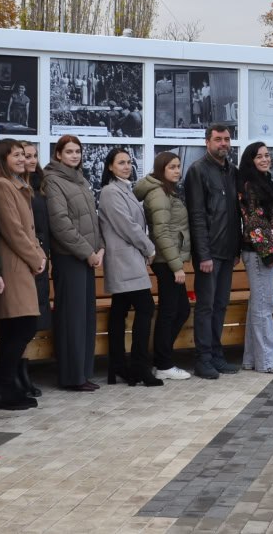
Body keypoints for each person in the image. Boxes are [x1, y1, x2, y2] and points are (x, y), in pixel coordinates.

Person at [42, 135, 105, 391]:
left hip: (87, 257)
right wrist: (86, 252)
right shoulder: (53, 181)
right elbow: (61, 224)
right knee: (72, 318)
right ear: (58, 154)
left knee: (85, 317)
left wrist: (99, 248)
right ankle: (71, 376)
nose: (75, 155)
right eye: (69, 151)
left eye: (77, 151)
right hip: (70, 258)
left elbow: (93, 218)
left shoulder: (81, 180)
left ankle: (83, 373)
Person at [0, 139, 48, 407]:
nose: (23, 159)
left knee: (20, 327)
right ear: (3, 158)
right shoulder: (2, 186)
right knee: (19, 326)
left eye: (24, 155)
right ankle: (4, 389)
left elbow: (29, 229)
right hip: (14, 265)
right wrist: (36, 257)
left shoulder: (20, 186)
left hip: (23, 263)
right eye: (16, 155)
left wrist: (39, 255)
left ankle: (9, 386)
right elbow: (13, 230)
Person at [98, 147, 162, 386]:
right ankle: (139, 367)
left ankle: (118, 366)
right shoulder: (110, 191)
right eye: (121, 163)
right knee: (145, 308)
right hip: (124, 260)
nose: (126, 166)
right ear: (110, 167)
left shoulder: (124, 189)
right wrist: (149, 247)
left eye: (128, 162)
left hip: (128, 259)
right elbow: (126, 225)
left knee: (120, 310)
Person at [184, 124, 242, 380]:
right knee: (206, 307)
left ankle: (217, 356)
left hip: (228, 251)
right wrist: (203, 254)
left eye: (227, 139)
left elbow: (235, 214)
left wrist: (237, 247)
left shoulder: (232, 171)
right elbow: (196, 215)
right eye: (218, 139)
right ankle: (203, 359)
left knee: (220, 305)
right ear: (207, 141)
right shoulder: (198, 170)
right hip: (209, 254)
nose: (223, 144)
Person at [135, 151, 192, 380]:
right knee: (170, 312)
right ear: (161, 169)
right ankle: (163, 363)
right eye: (171, 167)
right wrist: (176, 265)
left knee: (179, 310)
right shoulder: (159, 194)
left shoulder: (167, 190)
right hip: (167, 261)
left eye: (178, 166)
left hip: (170, 260)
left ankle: (161, 360)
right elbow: (161, 232)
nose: (177, 170)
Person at [236, 143, 273, 375]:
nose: (265, 159)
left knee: (257, 306)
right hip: (258, 253)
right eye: (259, 156)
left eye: (267, 155)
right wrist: (269, 253)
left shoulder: (264, 181)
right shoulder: (250, 186)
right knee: (264, 307)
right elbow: (254, 222)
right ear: (250, 160)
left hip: (264, 252)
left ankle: (251, 359)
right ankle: (267, 361)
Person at [20, 141, 51, 397]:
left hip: (43, 257)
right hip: (27, 259)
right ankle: (20, 373)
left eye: (33, 155)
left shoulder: (41, 184)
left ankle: (25, 373)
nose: (30, 159)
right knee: (23, 321)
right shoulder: (15, 187)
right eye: (25, 155)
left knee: (34, 320)